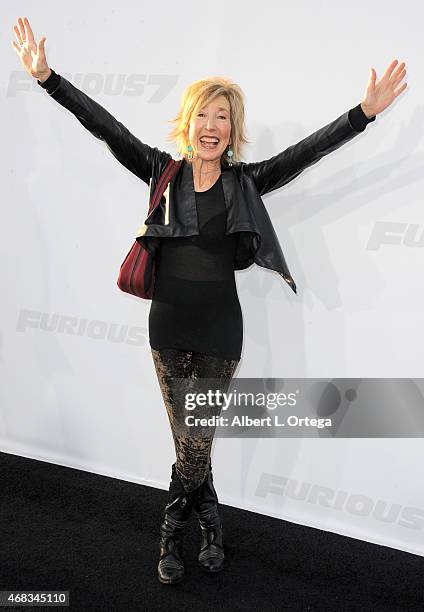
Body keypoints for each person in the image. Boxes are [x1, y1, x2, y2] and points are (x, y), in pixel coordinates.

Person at [12, 16, 407, 586]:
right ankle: (206, 524)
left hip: (222, 331)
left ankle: (178, 527)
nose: (212, 124)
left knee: (194, 438)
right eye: (205, 113)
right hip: (167, 327)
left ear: (233, 130)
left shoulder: (246, 182)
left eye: (224, 117)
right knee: (191, 440)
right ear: (189, 121)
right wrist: (49, 79)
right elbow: (104, 125)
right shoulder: (159, 172)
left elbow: (306, 152)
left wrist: (362, 114)